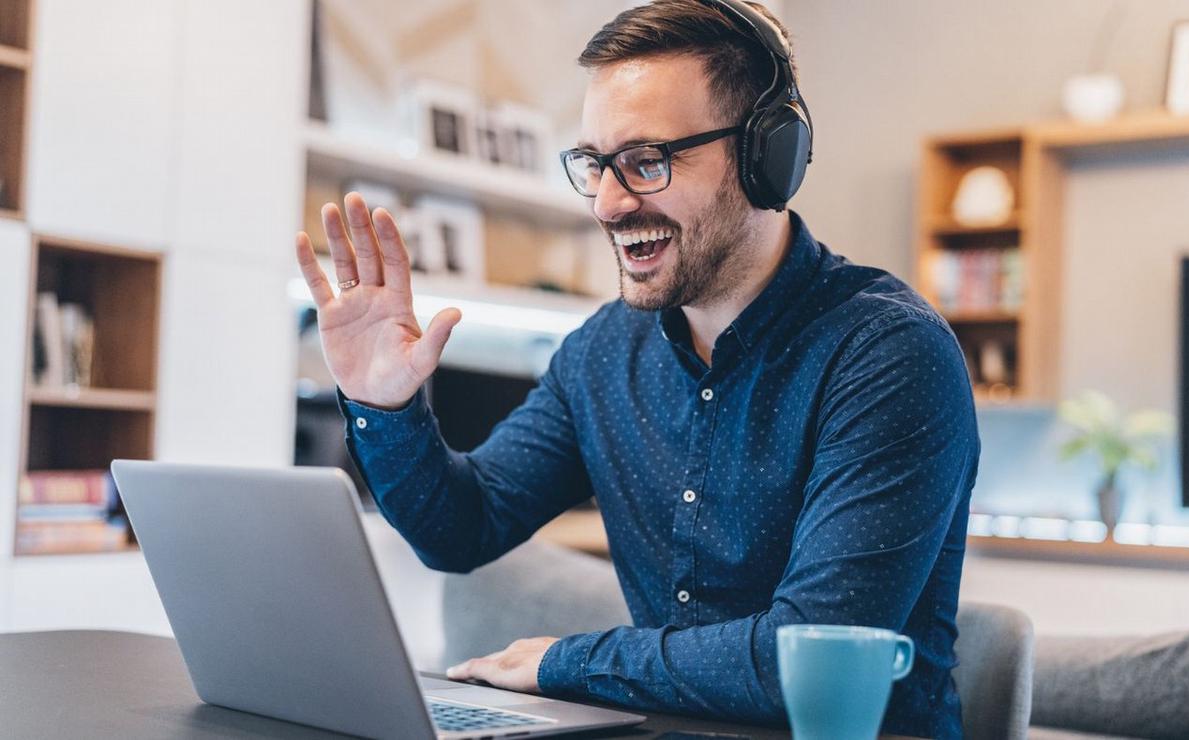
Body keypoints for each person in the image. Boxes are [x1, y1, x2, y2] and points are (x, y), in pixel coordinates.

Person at [293, 1, 979, 737]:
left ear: (766, 157)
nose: (611, 204)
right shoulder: (602, 353)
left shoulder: (889, 354)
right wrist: (384, 406)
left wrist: (567, 662)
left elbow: (805, 654)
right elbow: (462, 529)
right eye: (594, 165)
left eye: (647, 162)